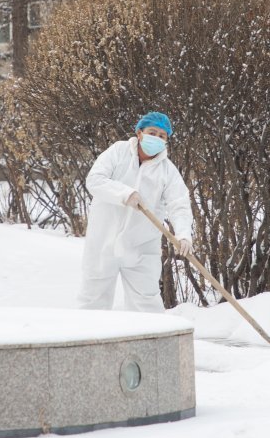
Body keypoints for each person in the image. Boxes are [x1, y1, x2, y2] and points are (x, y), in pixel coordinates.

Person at [77, 111, 194, 313]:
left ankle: (151, 344)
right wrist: (125, 194)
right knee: (93, 300)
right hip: (104, 239)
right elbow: (94, 180)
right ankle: (89, 342)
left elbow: (179, 203)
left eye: (162, 135)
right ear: (140, 133)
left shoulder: (167, 170)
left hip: (142, 245)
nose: (156, 138)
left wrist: (183, 234)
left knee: (146, 303)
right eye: (152, 132)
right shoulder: (118, 152)